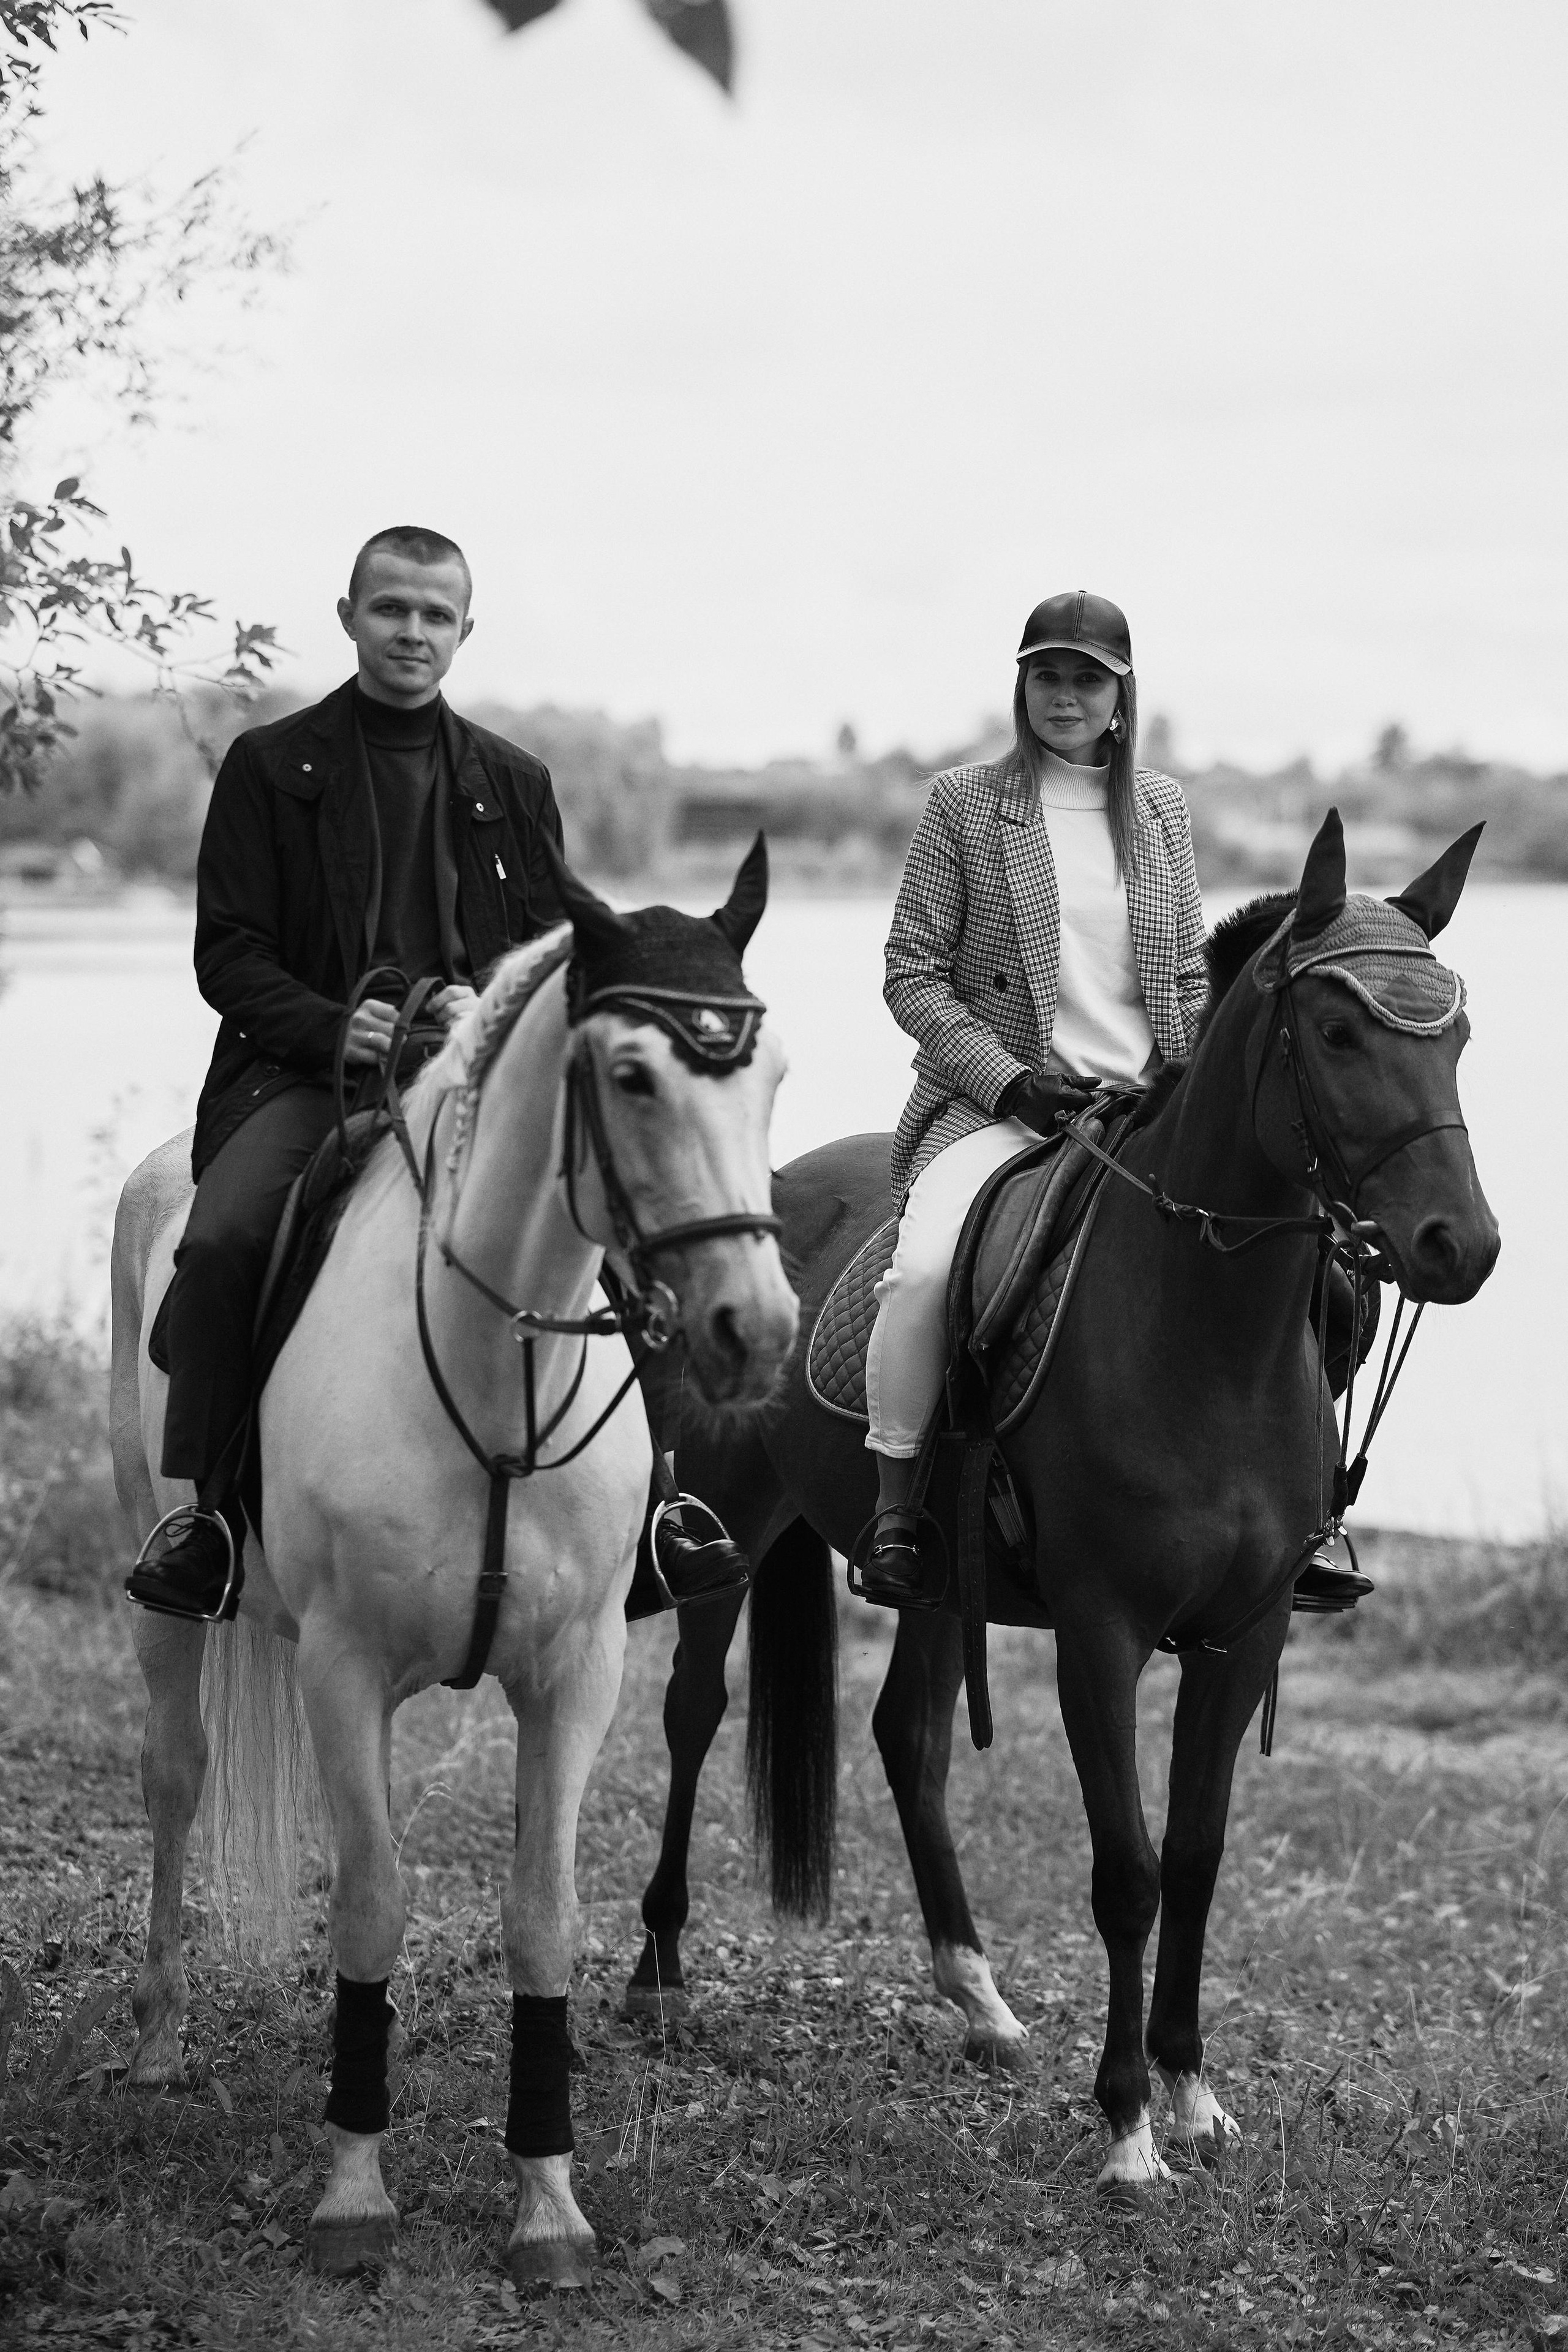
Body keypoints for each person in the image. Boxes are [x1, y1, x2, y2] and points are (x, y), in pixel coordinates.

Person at [127, 525, 747, 1623]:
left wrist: (492, 1008)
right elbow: (226, 952)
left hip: (479, 1093)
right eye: (391, 609)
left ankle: (656, 1509)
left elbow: (565, 965)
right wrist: (335, 1026)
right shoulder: (272, 769)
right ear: (350, 616)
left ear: (465, 629)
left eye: (435, 614)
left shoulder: (515, 781)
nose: (412, 631)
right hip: (302, 1079)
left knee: (619, 1235)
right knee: (222, 1241)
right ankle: (214, 1520)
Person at [858, 588, 1368, 1613]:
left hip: (1145, 1110)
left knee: (1316, 1275)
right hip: (1001, 1108)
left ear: (1121, 697)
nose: (1065, 695)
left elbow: (1185, 975)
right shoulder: (964, 802)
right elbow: (912, 972)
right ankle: (897, 1510)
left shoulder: (1164, 810)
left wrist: (1189, 1090)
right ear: (1022, 687)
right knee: (919, 1273)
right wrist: (1009, 1077)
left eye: (1087, 678)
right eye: (1047, 675)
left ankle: (1295, 1511)